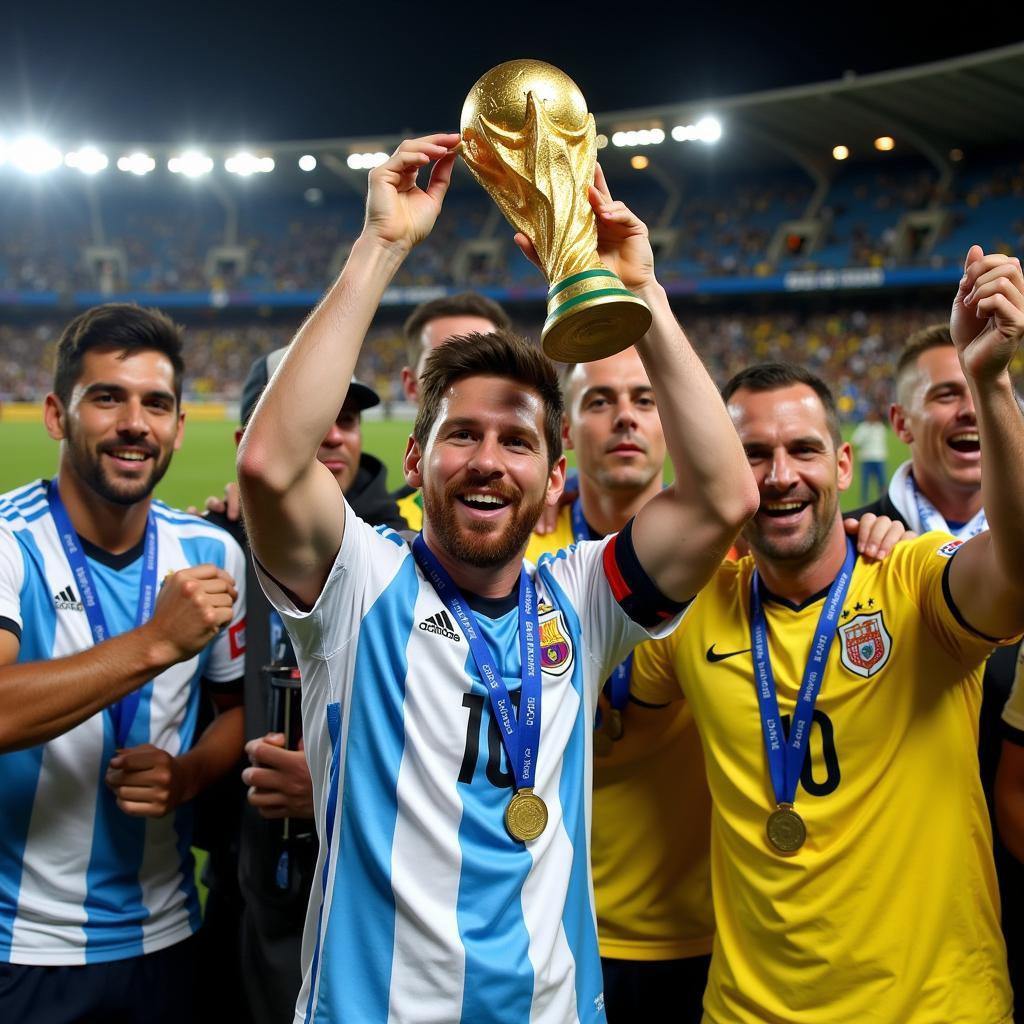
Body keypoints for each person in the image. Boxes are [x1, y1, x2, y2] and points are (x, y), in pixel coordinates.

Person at [236, 133, 758, 1023]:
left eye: (518, 441)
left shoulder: (582, 600)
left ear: (554, 476)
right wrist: (382, 247)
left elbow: (721, 496)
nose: (488, 462)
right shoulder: (359, 581)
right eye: (462, 436)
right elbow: (271, 471)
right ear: (416, 456)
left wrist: (645, 296)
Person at [631, 246, 1024, 1023]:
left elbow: (1016, 572)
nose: (780, 475)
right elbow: (592, 723)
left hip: (936, 1008)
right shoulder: (691, 612)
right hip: (745, 1012)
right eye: (753, 456)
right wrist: (642, 292)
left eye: (803, 450)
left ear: (843, 465)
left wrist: (991, 383)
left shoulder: (913, 580)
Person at [0, 303, 246, 1023]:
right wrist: (155, 644)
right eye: (107, 397)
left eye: (157, 404)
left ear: (177, 425)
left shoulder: (209, 553)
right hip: (21, 949)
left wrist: (190, 774)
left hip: (166, 936)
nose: (135, 422)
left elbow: (234, 714)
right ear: (56, 414)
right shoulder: (10, 543)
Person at [200, 348, 407, 1024]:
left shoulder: (416, 545)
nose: (331, 435)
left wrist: (333, 784)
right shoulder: (212, 547)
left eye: (345, 418)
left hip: (379, 894)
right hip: (244, 887)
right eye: (310, 416)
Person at [852, 321, 1024, 999]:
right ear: (900, 420)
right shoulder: (844, 548)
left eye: (985, 386)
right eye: (945, 393)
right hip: (895, 908)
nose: (970, 409)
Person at [395, 292, 510, 530]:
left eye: (486, 363)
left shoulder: (559, 517)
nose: (468, 383)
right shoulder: (374, 528)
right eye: (443, 365)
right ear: (410, 385)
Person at [849, 405, 887, 502]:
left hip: (879, 458)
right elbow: (854, 442)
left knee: (882, 482)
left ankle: (883, 500)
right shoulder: (863, 428)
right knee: (865, 482)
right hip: (867, 458)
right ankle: (864, 501)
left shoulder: (880, 427)